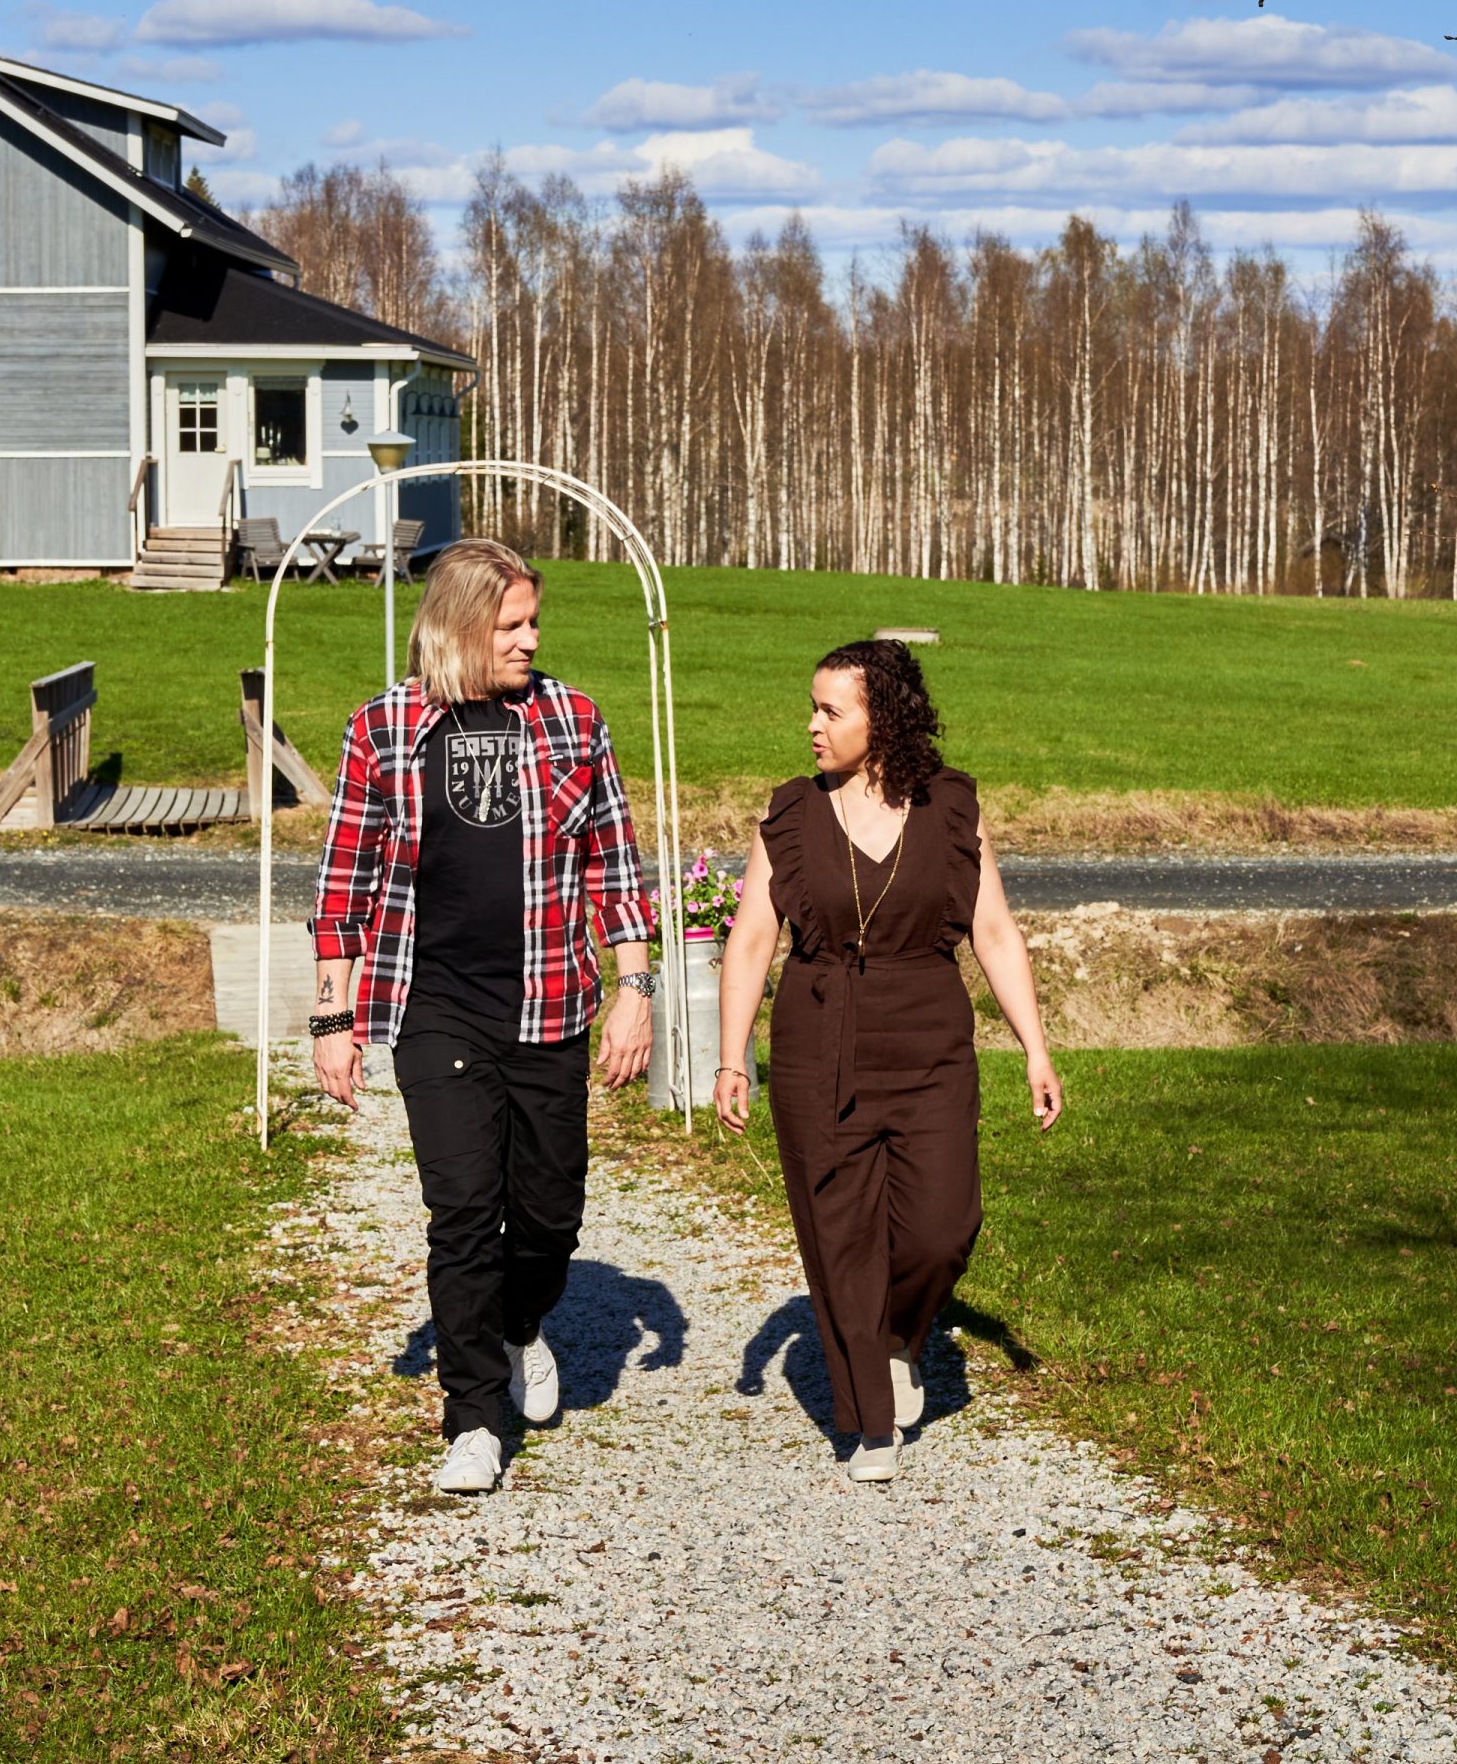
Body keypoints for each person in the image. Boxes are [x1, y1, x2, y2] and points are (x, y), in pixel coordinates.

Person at [309, 538, 656, 1494]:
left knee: (549, 1216)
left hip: (551, 1003)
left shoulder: (572, 719)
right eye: (511, 625)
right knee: (463, 1215)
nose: (530, 640)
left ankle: (518, 1326)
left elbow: (615, 867)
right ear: (460, 627)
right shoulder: (384, 728)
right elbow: (346, 882)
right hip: (436, 1010)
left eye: (534, 622)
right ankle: (471, 1418)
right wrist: (332, 1018)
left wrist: (636, 989)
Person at [711, 638, 1062, 1482]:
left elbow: (995, 933)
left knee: (943, 1226)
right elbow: (753, 936)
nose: (812, 726)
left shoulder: (952, 809)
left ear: (884, 717)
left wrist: (1036, 1049)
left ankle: (901, 1339)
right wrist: (732, 1060)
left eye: (831, 710)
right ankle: (870, 1422)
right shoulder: (791, 814)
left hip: (929, 1041)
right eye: (813, 707)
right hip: (815, 1042)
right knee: (840, 1238)